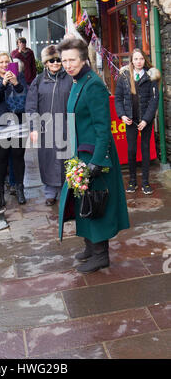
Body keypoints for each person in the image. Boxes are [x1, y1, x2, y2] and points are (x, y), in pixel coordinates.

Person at [58, 38, 130, 274]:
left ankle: (101, 256)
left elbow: (102, 127)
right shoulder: (77, 81)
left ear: (83, 59)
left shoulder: (93, 84)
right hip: (79, 155)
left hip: (95, 157)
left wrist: (98, 161)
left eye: (72, 60)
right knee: (83, 201)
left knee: (97, 203)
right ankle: (90, 246)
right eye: (64, 60)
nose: (67, 64)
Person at [26, 44, 73, 205]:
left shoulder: (70, 78)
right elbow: (32, 106)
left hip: (67, 126)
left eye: (58, 60)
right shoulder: (38, 80)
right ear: (46, 62)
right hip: (46, 128)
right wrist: (33, 128)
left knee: (66, 159)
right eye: (51, 60)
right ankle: (50, 193)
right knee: (48, 160)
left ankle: (66, 192)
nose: (55, 63)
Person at [115, 48, 160, 195]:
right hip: (130, 120)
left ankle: (146, 182)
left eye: (141, 59)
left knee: (145, 150)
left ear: (144, 60)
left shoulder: (151, 76)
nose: (138, 62)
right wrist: (122, 115)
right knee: (131, 150)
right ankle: (132, 181)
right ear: (131, 61)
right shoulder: (124, 76)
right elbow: (118, 98)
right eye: (135, 59)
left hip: (145, 120)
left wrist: (147, 120)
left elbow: (154, 100)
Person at [0, 52, 28, 205]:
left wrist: (16, 83)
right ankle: (0, 192)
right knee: (1, 160)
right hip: (1, 123)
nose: (4, 64)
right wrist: (3, 84)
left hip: (18, 122)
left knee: (18, 157)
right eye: (1, 62)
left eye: (7, 61)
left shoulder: (18, 76)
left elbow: (26, 95)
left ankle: (19, 189)